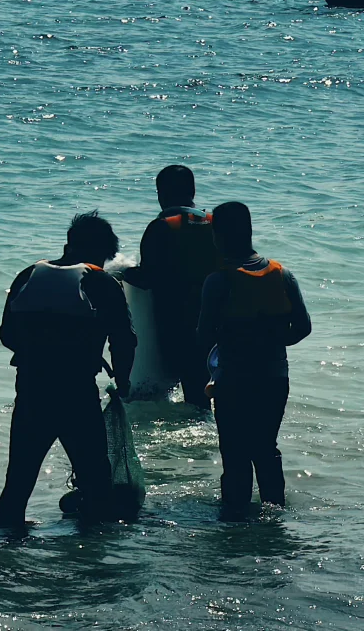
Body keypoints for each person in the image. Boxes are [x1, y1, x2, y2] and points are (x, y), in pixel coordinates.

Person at [0, 211, 136, 527]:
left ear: (68, 245)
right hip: (76, 394)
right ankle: (92, 551)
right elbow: (124, 340)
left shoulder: (28, 275)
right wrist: (123, 381)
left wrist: (39, 354)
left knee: (18, 482)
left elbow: (6, 333)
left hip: (31, 390)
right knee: (96, 482)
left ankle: (5, 546)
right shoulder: (101, 281)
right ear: (102, 252)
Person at [198, 201, 311, 520]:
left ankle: (235, 522)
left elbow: (203, 336)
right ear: (249, 231)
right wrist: (270, 341)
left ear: (218, 236)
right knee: (265, 448)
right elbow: (303, 328)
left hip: (233, 380)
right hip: (274, 378)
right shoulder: (282, 274)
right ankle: (275, 517)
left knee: (234, 453)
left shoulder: (218, 281)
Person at [123, 164, 221, 406]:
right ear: (193, 191)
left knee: (187, 391)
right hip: (220, 321)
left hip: (179, 322)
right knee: (209, 389)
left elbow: (148, 278)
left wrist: (120, 273)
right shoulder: (217, 224)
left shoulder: (162, 227)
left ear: (161, 194)